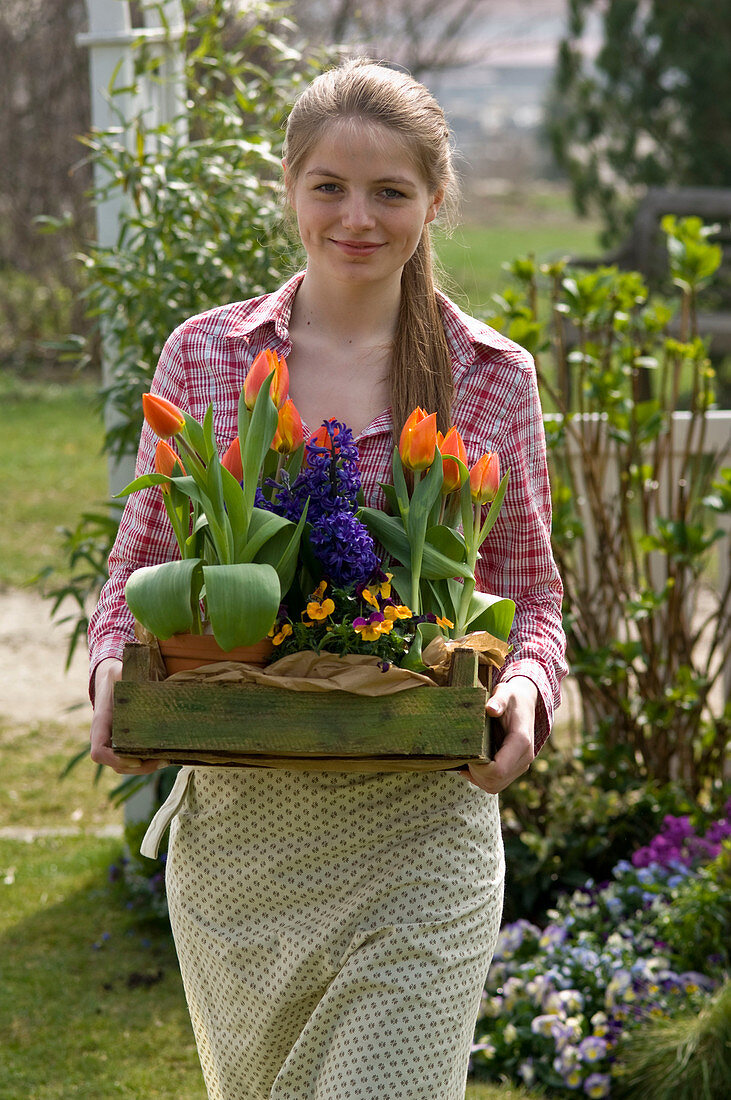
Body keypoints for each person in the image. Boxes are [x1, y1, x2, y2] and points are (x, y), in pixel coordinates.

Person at [89, 59, 567, 1100]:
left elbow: (532, 594)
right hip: (240, 848)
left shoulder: (489, 374)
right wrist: (108, 673)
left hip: (419, 834)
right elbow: (131, 569)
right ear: (289, 188)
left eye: (390, 191)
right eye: (329, 187)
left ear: (433, 201)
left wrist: (525, 689)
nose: (357, 216)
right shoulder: (209, 355)